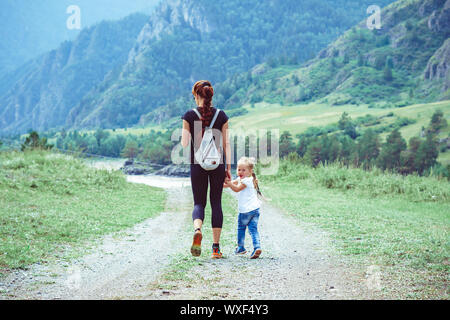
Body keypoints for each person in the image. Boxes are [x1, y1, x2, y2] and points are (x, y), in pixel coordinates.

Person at [181, 80, 232, 259]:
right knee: (216, 203)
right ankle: (216, 249)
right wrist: (228, 168)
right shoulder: (221, 115)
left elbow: (185, 143)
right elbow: (226, 144)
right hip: (217, 164)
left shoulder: (189, 115)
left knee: (199, 203)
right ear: (210, 95)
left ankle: (197, 229)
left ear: (196, 95)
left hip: (197, 165)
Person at [223, 156, 263, 259]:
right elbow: (230, 185)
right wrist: (222, 183)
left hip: (246, 211)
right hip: (255, 210)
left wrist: (228, 183)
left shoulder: (246, 181)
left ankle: (241, 247)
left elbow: (236, 189)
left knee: (241, 228)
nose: (240, 172)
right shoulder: (245, 179)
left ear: (250, 171)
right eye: (239, 169)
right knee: (253, 229)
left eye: (243, 170)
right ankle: (257, 247)